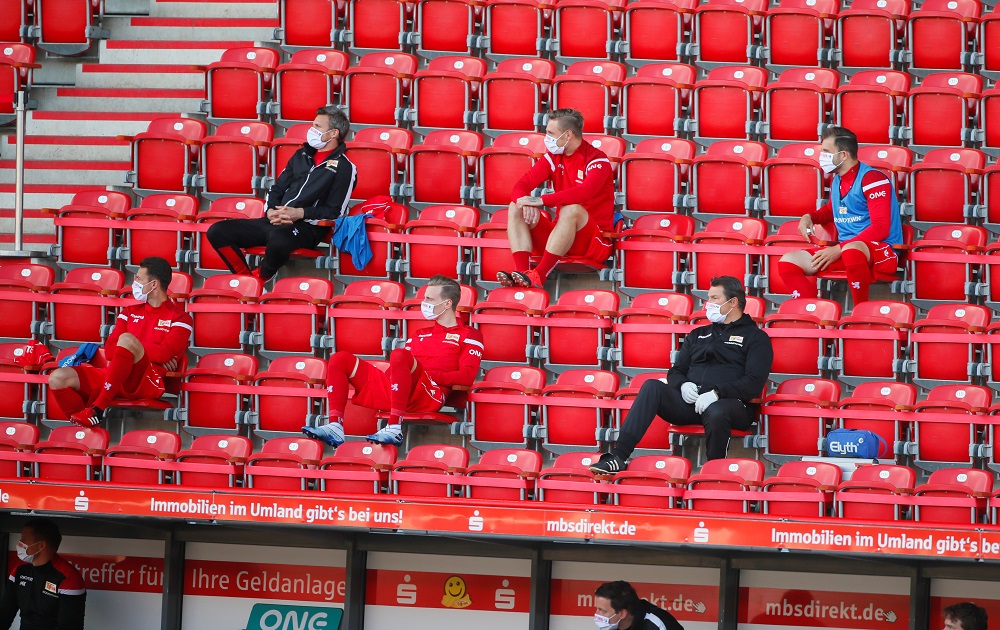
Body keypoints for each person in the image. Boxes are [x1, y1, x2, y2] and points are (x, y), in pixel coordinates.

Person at [589, 276, 773, 472]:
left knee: (717, 410)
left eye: (714, 298)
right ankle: (618, 456)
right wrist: (683, 385)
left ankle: (714, 471)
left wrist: (717, 393)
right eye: (708, 298)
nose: (708, 304)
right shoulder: (698, 334)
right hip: (691, 403)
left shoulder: (756, 337)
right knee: (652, 386)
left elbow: (753, 382)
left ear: (733, 302)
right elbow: (676, 371)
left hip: (733, 405)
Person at [304, 275, 484, 447]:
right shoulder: (419, 334)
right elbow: (398, 369)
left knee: (400, 354)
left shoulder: (469, 334)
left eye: (429, 299)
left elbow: (466, 377)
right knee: (339, 359)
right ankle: (335, 425)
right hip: (400, 391)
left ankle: (394, 427)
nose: (424, 304)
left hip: (430, 395)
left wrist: (428, 375)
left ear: (447, 303)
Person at [207, 106, 357, 283]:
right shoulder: (301, 155)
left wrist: (299, 213)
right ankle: (246, 280)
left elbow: (335, 212)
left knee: (278, 238)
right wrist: (271, 211)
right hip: (276, 220)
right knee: (217, 231)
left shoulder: (345, 167)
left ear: (333, 134)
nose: (311, 130)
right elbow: (277, 188)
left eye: (317, 126)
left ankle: (262, 276)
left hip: (307, 228)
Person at [47, 256, 192, 427]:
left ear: (153, 284)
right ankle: (85, 426)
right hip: (113, 375)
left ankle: (98, 408)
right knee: (57, 378)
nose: (134, 282)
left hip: (146, 381)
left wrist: (133, 348)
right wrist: (145, 351)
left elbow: (165, 353)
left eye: (138, 278)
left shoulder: (181, 318)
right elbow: (109, 351)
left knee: (126, 339)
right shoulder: (129, 312)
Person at [777, 125, 903, 305]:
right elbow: (831, 210)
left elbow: (881, 228)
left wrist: (839, 248)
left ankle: (860, 311)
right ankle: (812, 311)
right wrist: (809, 217)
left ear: (843, 155)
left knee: (852, 251)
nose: (822, 157)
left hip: (881, 250)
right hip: (846, 250)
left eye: (827, 152)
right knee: (788, 261)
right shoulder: (837, 180)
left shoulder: (873, 179)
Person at [496, 108, 614, 290]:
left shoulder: (597, 160)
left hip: (593, 242)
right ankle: (522, 274)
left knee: (571, 208)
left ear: (568, 135)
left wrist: (541, 201)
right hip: (560, 236)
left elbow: (585, 191)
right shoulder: (552, 157)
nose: (547, 138)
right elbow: (522, 185)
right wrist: (524, 202)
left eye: (551, 133)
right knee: (515, 206)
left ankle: (539, 275)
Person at [1, 517, 86, 630]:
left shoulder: (68, 578)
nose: (20, 544)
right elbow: (4, 615)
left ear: (41, 546)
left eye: (24, 540)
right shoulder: (19, 571)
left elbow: (69, 626)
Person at [593, 580, 684, 630]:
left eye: (603, 611)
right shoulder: (610, 625)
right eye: (597, 609)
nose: (597, 614)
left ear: (622, 614)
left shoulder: (657, 625)